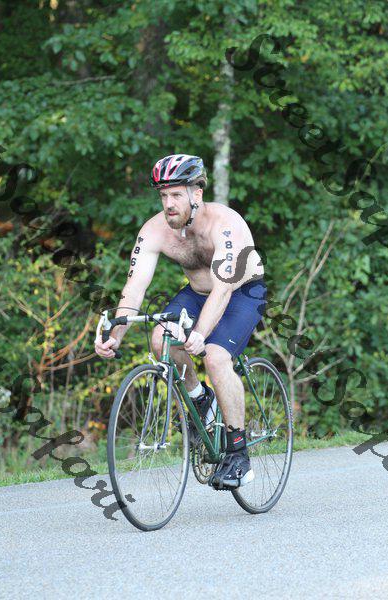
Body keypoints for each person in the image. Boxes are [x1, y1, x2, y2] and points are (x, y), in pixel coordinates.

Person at [94, 154, 267, 490]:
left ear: (196, 194)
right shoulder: (154, 230)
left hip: (241, 293)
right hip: (197, 293)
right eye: (163, 195)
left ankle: (238, 453)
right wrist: (116, 334)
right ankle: (200, 399)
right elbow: (135, 288)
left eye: (176, 195)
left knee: (215, 357)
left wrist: (200, 333)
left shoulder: (225, 224)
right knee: (161, 339)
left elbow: (223, 289)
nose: (168, 204)